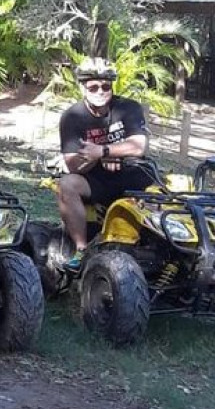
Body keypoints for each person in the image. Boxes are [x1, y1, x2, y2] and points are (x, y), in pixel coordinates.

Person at [56, 57, 150, 270]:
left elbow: (138, 146)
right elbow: (72, 164)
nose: (100, 91)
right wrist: (104, 156)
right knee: (66, 185)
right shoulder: (72, 116)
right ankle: (81, 250)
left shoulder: (129, 108)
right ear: (83, 88)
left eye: (106, 86)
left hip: (134, 174)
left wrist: (102, 151)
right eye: (94, 87)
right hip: (95, 179)